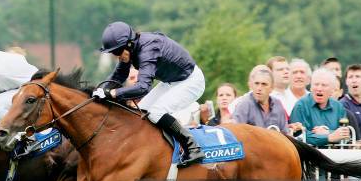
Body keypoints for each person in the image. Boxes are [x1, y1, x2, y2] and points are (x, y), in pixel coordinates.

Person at [94, 21, 205, 166]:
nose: (116, 56)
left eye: (116, 52)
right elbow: (119, 75)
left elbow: (143, 88)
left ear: (128, 44)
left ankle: (192, 147)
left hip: (191, 81)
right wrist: (101, 90)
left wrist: (113, 93)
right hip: (171, 81)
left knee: (156, 112)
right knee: (141, 112)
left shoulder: (148, 49)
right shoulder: (131, 48)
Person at [232, 67, 289, 132]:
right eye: (256, 83)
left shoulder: (277, 104)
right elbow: (235, 133)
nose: (259, 88)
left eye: (264, 84)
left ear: (272, 88)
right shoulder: (244, 104)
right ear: (251, 85)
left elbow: (285, 134)